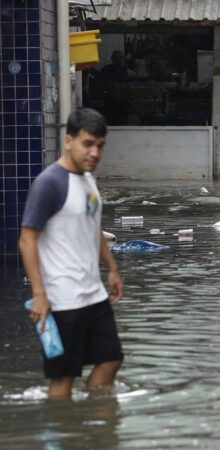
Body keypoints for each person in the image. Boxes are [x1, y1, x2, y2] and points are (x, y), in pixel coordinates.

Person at [18, 108, 125, 400]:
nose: (94, 152)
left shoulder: (88, 179)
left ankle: (93, 428)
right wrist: (39, 293)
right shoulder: (49, 184)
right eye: (87, 144)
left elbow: (93, 226)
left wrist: (112, 268)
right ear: (69, 141)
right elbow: (27, 240)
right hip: (63, 299)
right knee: (63, 379)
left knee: (111, 359)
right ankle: (63, 434)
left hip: (94, 294)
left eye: (100, 145)